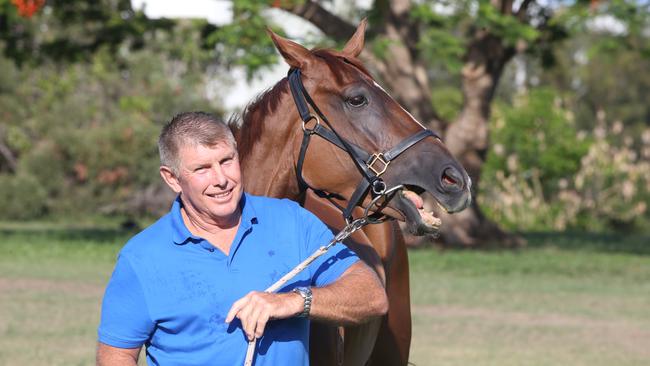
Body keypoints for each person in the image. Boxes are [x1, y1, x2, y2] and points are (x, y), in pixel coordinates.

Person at [96, 111, 388, 365]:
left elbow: (372, 297)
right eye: (202, 169)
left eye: (226, 161)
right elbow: (116, 354)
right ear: (172, 179)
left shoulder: (291, 221)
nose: (221, 179)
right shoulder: (141, 258)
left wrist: (293, 302)